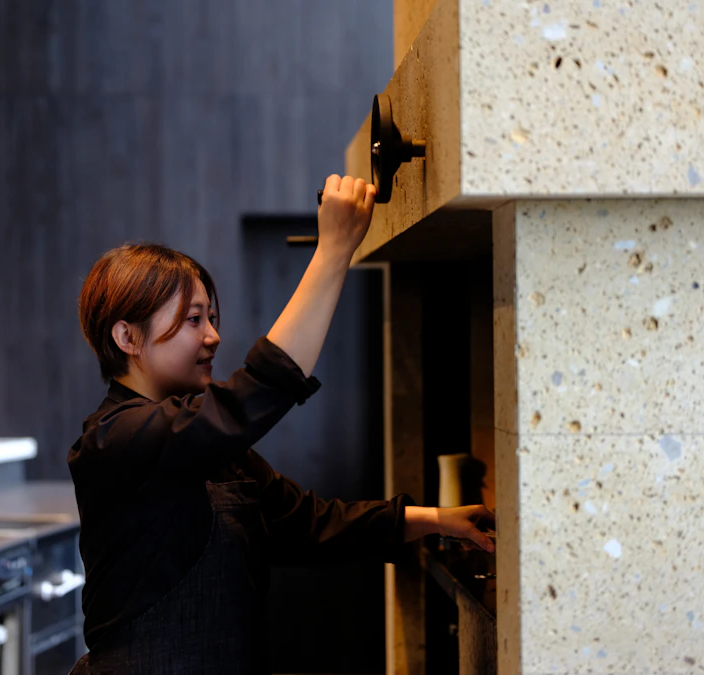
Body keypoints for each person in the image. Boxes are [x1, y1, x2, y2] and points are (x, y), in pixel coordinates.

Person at [67, 174, 494, 674]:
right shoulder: (112, 441)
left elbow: (308, 523)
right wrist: (333, 251)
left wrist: (436, 519)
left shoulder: (209, 445)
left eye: (211, 318)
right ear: (127, 337)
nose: (213, 336)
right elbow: (252, 396)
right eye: (193, 319)